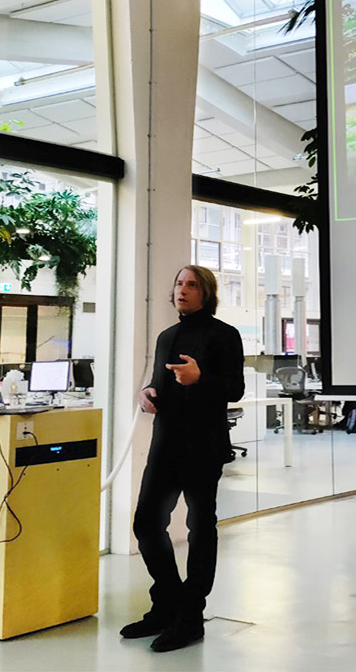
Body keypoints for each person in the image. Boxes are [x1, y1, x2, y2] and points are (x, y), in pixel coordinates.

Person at [121, 265, 245, 653]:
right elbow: (160, 382)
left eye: (191, 284)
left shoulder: (225, 335)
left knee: (200, 529)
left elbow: (235, 390)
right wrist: (147, 392)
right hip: (165, 445)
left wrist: (200, 379)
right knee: (146, 523)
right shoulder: (166, 336)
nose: (183, 289)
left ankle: (191, 616)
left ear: (206, 292)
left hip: (203, 446)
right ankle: (168, 603)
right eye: (178, 283)